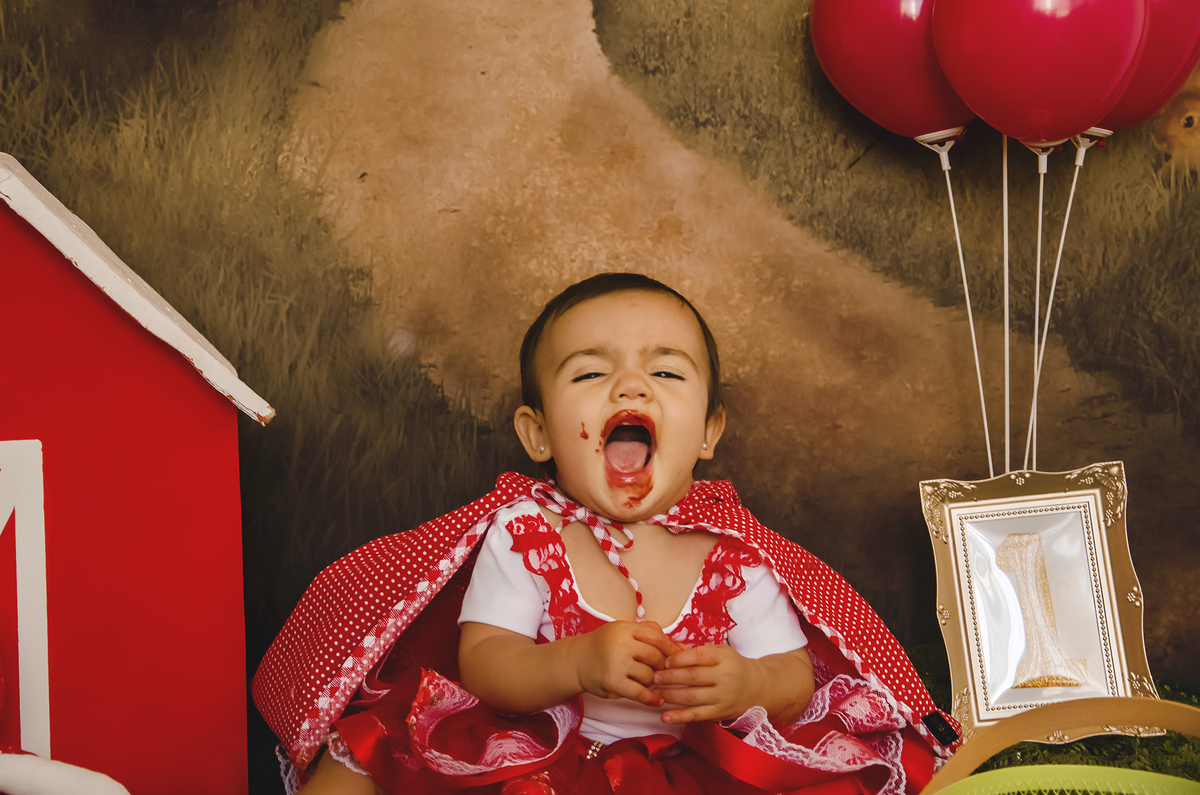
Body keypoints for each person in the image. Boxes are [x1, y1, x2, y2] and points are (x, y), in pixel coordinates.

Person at [253, 273, 959, 795]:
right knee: (367, 755)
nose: (631, 388)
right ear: (537, 432)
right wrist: (577, 663)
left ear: (709, 431)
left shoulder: (733, 555)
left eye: (665, 371)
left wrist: (746, 680)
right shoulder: (529, 532)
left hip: (691, 765)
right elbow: (487, 661)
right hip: (543, 755)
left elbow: (793, 675)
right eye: (592, 372)